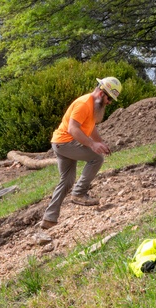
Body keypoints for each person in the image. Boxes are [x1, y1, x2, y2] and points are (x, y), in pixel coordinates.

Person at [41, 77, 122, 230]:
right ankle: (79, 193)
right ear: (101, 93)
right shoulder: (84, 104)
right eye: (109, 98)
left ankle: (49, 218)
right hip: (65, 143)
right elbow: (73, 129)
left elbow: (90, 127)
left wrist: (100, 142)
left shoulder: (93, 106)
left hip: (60, 143)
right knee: (96, 158)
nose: (109, 102)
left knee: (67, 181)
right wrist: (92, 145)